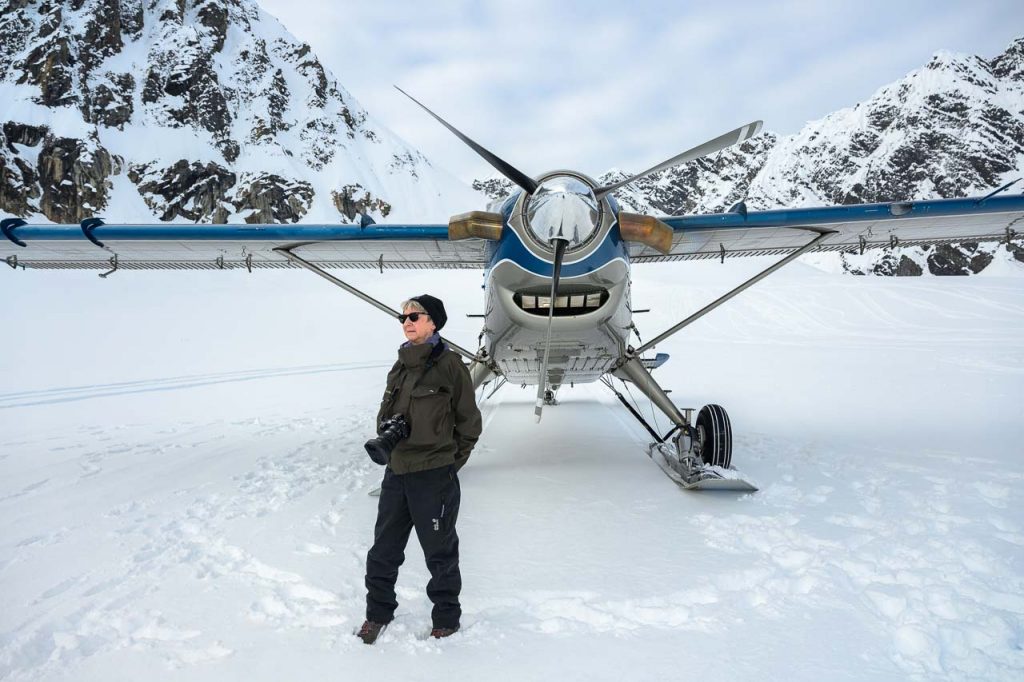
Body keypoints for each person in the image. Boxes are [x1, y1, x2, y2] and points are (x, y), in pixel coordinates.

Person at [357, 294, 483, 644]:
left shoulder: (450, 367)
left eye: (415, 315)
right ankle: (377, 614)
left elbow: (469, 424)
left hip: (434, 476)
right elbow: (384, 416)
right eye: (403, 317)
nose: (407, 321)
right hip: (397, 473)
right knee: (383, 551)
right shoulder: (399, 367)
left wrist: (446, 464)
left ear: (433, 322)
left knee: (440, 553)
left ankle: (446, 619)